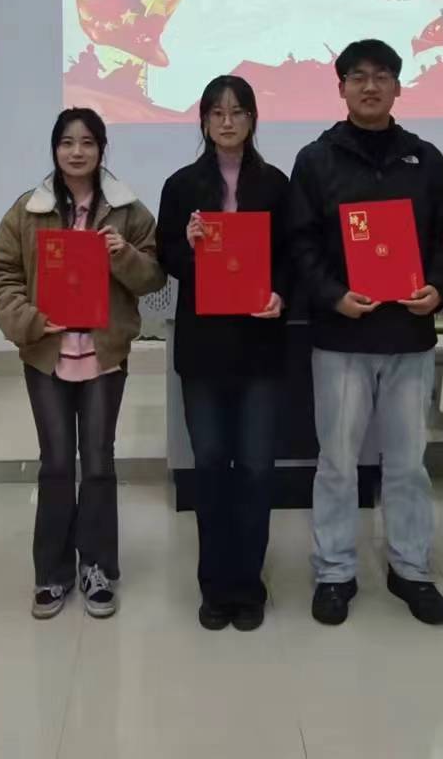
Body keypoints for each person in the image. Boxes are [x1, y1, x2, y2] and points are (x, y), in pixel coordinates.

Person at [289, 40, 443, 628]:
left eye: (381, 76)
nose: (369, 86)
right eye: (357, 77)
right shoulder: (316, 159)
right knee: (337, 463)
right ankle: (335, 570)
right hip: (341, 337)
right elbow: (300, 242)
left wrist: (438, 287)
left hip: (409, 335)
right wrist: (333, 294)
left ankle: (410, 567)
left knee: (408, 463)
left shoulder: (425, 159)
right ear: (341, 88)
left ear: (397, 87)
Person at [0, 108, 166, 620]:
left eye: (87, 142)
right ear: (55, 149)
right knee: (58, 463)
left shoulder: (127, 210)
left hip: (104, 356)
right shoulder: (29, 209)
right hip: (47, 355)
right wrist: (28, 320)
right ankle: (53, 571)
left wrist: (123, 254)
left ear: (102, 149)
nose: (77, 151)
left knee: (100, 462)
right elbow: (0, 273)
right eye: (67, 142)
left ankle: (99, 567)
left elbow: (154, 276)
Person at [157, 76, 290, 633]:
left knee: (256, 468)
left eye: (238, 112)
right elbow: (165, 256)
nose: (228, 121)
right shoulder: (182, 185)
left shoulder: (276, 184)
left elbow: (292, 255)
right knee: (210, 465)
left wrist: (281, 294)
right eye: (217, 112)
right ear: (205, 121)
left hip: (259, 346)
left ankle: (248, 584)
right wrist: (188, 248)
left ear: (253, 119)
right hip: (204, 349)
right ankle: (214, 585)